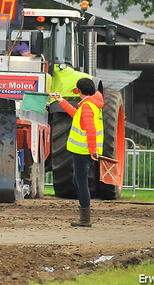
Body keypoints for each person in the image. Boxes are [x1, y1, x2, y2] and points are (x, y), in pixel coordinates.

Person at [52, 77, 104, 227]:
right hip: (84, 150)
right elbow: (77, 115)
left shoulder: (87, 106)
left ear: (80, 91)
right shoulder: (93, 104)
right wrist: (61, 101)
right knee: (78, 181)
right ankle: (84, 217)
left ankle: (85, 219)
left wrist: (92, 150)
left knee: (81, 183)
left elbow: (90, 129)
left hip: (83, 150)